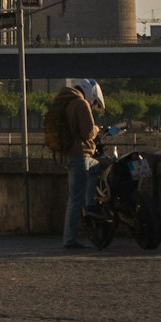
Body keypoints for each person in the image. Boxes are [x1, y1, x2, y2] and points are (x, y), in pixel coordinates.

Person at [50, 77, 104, 251]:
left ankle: (90, 204)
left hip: (70, 154)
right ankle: (70, 239)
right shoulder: (81, 104)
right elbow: (88, 132)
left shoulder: (64, 102)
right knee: (75, 198)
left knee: (96, 167)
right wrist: (96, 129)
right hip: (79, 155)